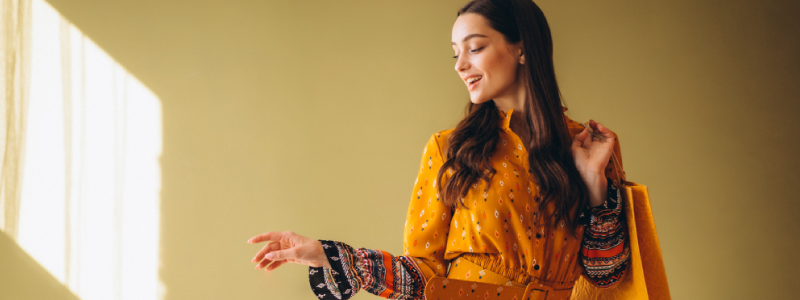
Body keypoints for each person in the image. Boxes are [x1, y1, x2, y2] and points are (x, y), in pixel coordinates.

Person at [246, 0, 630, 299]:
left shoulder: (586, 147)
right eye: (455, 54)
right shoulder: (450, 148)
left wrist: (595, 185)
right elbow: (424, 275)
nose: (460, 65)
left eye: (475, 48)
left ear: (522, 48)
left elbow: (607, 276)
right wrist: (329, 255)